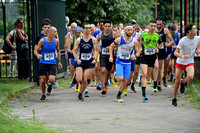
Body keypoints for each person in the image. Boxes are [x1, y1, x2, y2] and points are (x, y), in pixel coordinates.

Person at [109, 24, 140, 103]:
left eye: (131, 30)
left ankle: (118, 95)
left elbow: (138, 51)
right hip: (120, 61)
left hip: (128, 63)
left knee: (126, 82)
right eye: (128, 30)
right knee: (120, 78)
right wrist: (111, 56)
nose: (130, 31)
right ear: (125, 30)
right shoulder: (119, 39)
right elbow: (111, 46)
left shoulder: (134, 41)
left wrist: (135, 55)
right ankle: (115, 77)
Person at [172, 23, 200, 106]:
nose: (196, 30)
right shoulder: (183, 40)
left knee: (191, 76)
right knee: (177, 81)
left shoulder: (197, 38)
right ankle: (174, 98)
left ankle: (183, 82)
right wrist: (183, 56)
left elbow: (199, 43)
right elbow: (175, 53)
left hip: (190, 61)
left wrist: (198, 49)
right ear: (189, 31)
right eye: (194, 29)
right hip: (180, 61)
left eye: (196, 29)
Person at [34, 26, 62, 101]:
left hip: (52, 62)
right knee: (43, 80)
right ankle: (43, 95)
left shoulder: (56, 41)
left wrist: (59, 61)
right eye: (55, 32)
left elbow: (58, 50)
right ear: (50, 33)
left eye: (56, 31)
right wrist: (37, 55)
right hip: (43, 62)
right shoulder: (42, 41)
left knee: (52, 80)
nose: (56, 33)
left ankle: (50, 84)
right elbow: (35, 50)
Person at [72, 22, 98, 101]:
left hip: (89, 62)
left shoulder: (93, 39)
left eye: (89, 28)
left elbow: (96, 50)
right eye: (86, 28)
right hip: (80, 62)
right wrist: (77, 59)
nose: (88, 30)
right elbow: (74, 50)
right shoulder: (79, 40)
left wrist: (95, 58)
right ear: (83, 29)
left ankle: (80, 93)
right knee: (79, 79)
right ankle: (75, 78)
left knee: (85, 79)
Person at [139, 20, 162, 102]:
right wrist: (140, 48)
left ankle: (142, 79)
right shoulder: (143, 34)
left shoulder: (157, 35)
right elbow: (139, 41)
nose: (153, 27)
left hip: (152, 57)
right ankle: (144, 94)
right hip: (144, 56)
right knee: (145, 74)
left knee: (147, 75)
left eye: (154, 26)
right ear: (148, 26)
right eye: (151, 26)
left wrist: (157, 48)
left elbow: (160, 43)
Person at [97, 19, 117, 95]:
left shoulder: (114, 34)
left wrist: (113, 48)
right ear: (103, 26)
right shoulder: (100, 34)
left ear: (111, 26)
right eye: (106, 26)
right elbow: (96, 42)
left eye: (109, 26)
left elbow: (118, 44)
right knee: (102, 70)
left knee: (109, 71)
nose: (107, 28)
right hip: (103, 55)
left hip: (111, 55)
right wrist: (98, 47)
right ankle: (103, 87)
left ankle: (105, 83)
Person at [155, 17, 174, 91]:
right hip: (154, 50)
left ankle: (161, 80)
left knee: (162, 68)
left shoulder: (165, 30)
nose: (159, 26)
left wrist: (168, 44)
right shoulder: (154, 29)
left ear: (162, 23)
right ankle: (157, 82)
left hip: (163, 51)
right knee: (156, 67)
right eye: (157, 24)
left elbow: (172, 41)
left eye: (160, 24)